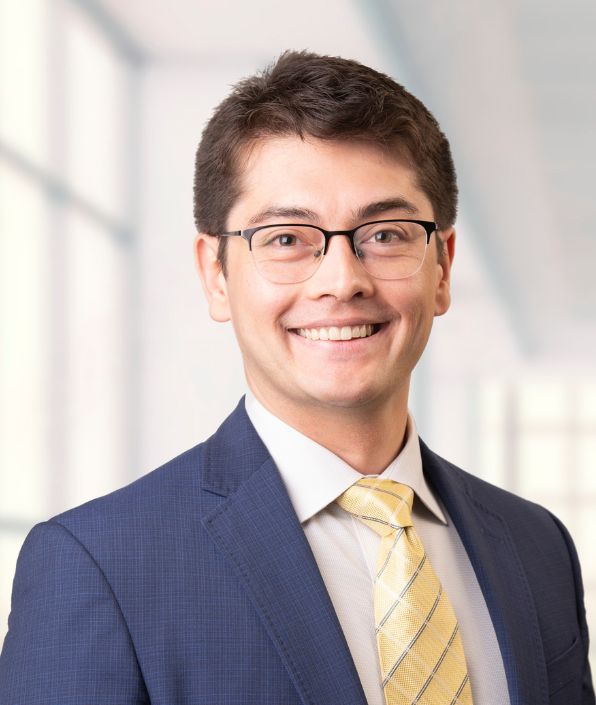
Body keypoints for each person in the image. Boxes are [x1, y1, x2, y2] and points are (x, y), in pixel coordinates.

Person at [0, 51, 593, 705]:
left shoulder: (537, 547)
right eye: (287, 239)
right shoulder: (99, 565)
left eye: (387, 233)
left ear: (443, 267)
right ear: (216, 274)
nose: (342, 280)